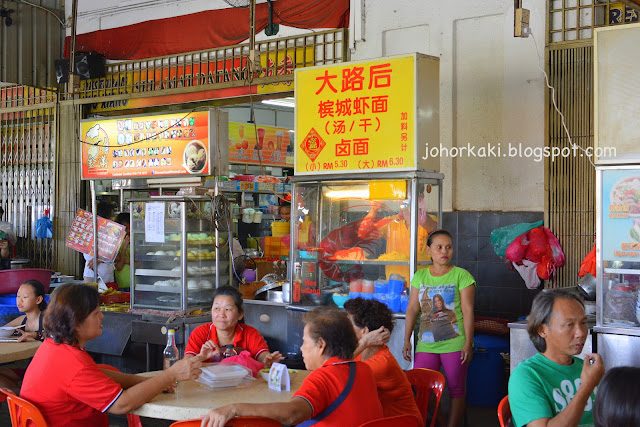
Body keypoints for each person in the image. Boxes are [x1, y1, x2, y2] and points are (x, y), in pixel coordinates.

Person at [20, 283, 209, 426]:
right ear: (75, 322)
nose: (102, 317)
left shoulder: (54, 346)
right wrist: (171, 374)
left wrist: (157, 382)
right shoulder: (73, 363)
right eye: (96, 313)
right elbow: (120, 405)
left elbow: (98, 374)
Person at [200, 307, 384, 427]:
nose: (302, 349)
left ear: (320, 345)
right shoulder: (363, 369)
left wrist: (234, 408)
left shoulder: (324, 377)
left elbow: (292, 414)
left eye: (304, 342)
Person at [403, 229, 475, 427]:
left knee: (456, 389)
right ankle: (440, 421)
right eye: (439, 247)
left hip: (455, 342)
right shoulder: (420, 276)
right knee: (422, 388)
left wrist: (468, 343)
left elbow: (468, 312)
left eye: (448, 247)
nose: (445, 251)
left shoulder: (462, 276)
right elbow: (412, 308)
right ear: (429, 250)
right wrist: (407, 339)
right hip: (427, 344)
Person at [508, 289, 604, 427]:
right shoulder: (527, 375)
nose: (580, 333)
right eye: (569, 325)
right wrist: (586, 387)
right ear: (542, 330)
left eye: (583, 323)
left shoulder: (588, 369)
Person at [344, 297, 422, 424]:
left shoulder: (381, 363)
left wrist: (364, 342)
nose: (344, 329)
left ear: (365, 332)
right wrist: (363, 343)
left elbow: (335, 371)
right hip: (378, 420)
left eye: (348, 324)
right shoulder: (360, 353)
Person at [184, 286, 283, 366]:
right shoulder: (200, 333)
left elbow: (262, 355)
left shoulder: (250, 333)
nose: (221, 314)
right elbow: (186, 363)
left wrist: (268, 360)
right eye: (217, 308)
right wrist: (201, 357)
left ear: (240, 314)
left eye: (228, 309)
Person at [83, 201, 116, 283]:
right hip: (91, 274)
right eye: (110, 216)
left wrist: (98, 259)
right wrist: (99, 258)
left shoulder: (113, 231)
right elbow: (86, 253)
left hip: (106, 275)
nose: (111, 219)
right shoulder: (89, 230)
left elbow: (114, 255)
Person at [113, 212, 131, 291]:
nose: (129, 231)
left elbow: (140, 264)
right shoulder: (116, 244)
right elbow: (119, 267)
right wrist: (124, 248)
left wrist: (127, 261)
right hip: (122, 284)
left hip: (135, 282)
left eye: (131, 228)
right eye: (126, 228)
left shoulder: (136, 242)